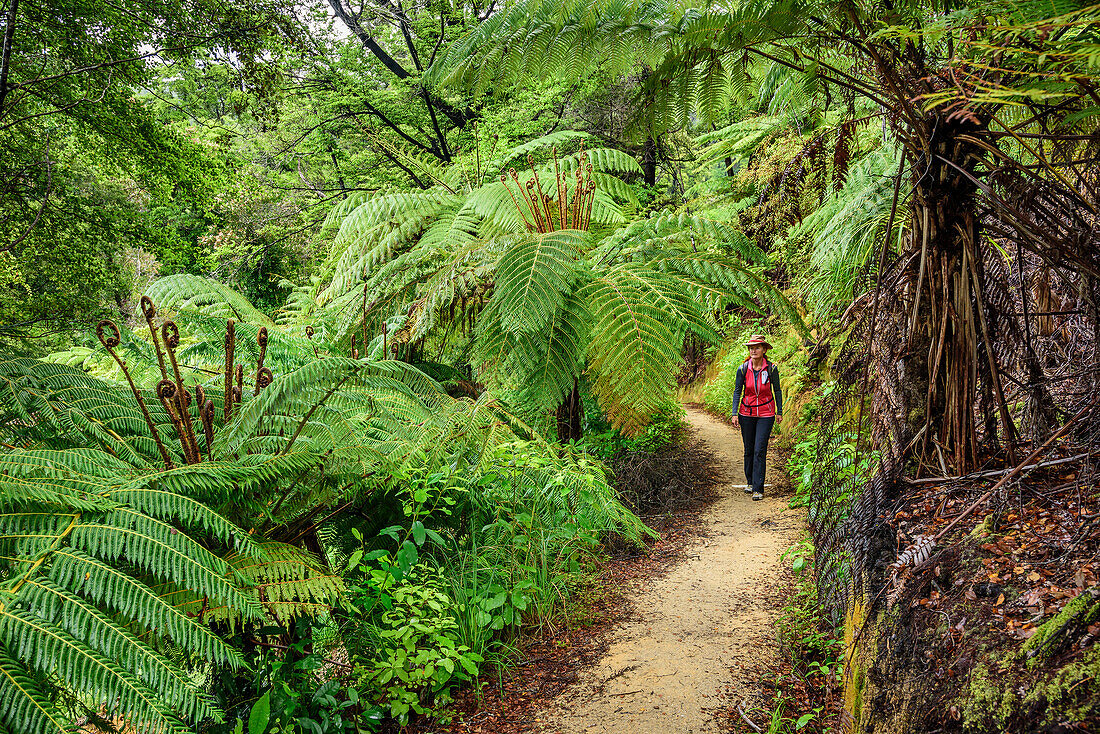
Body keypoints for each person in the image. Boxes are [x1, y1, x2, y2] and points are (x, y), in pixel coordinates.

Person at [731, 335, 783, 501]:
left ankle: (758, 488)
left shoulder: (771, 369)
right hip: (746, 413)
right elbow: (737, 391)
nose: (753, 350)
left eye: (757, 347)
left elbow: (778, 390)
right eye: (751, 347)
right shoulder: (743, 369)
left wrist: (779, 411)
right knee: (749, 448)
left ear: (764, 349)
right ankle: (750, 482)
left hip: (766, 413)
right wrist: (734, 413)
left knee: (760, 449)